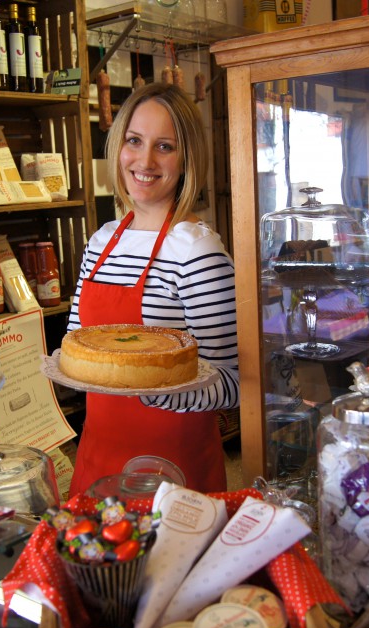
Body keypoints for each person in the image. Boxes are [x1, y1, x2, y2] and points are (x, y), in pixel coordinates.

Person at [65, 82, 239, 498]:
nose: (144, 160)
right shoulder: (101, 241)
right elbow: (75, 345)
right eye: (134, 141)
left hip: (172, 471)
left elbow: (234, 383)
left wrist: (151, 390)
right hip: (97, 457)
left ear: (186, 159)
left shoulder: (197, 249)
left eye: (164, 146)